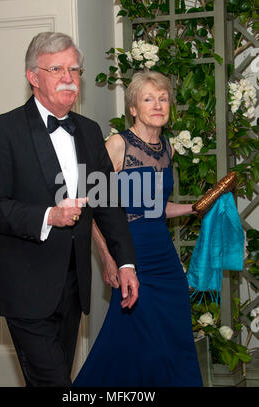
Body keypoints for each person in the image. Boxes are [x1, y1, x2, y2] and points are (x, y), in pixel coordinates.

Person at [0, 31, 139, 387]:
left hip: (72, 288)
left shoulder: (88, 130)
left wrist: (126, 262)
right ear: (32, 77)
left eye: (74, 69)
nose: (69, 78)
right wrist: (48, 216)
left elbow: (107, 202)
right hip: (24, 288)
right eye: (56, 69)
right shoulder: (2, 130)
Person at [73, 71, 203, 387]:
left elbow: (154, 209)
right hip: (132, 256)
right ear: (133, 107)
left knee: (174, 339)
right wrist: (107, 257)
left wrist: (194, 208)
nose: (158, 105)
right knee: (132, 343)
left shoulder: (168, 148)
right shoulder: (117, 145)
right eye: (148, 98)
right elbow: (90, 205)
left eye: (162, 98)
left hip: (165, 259)